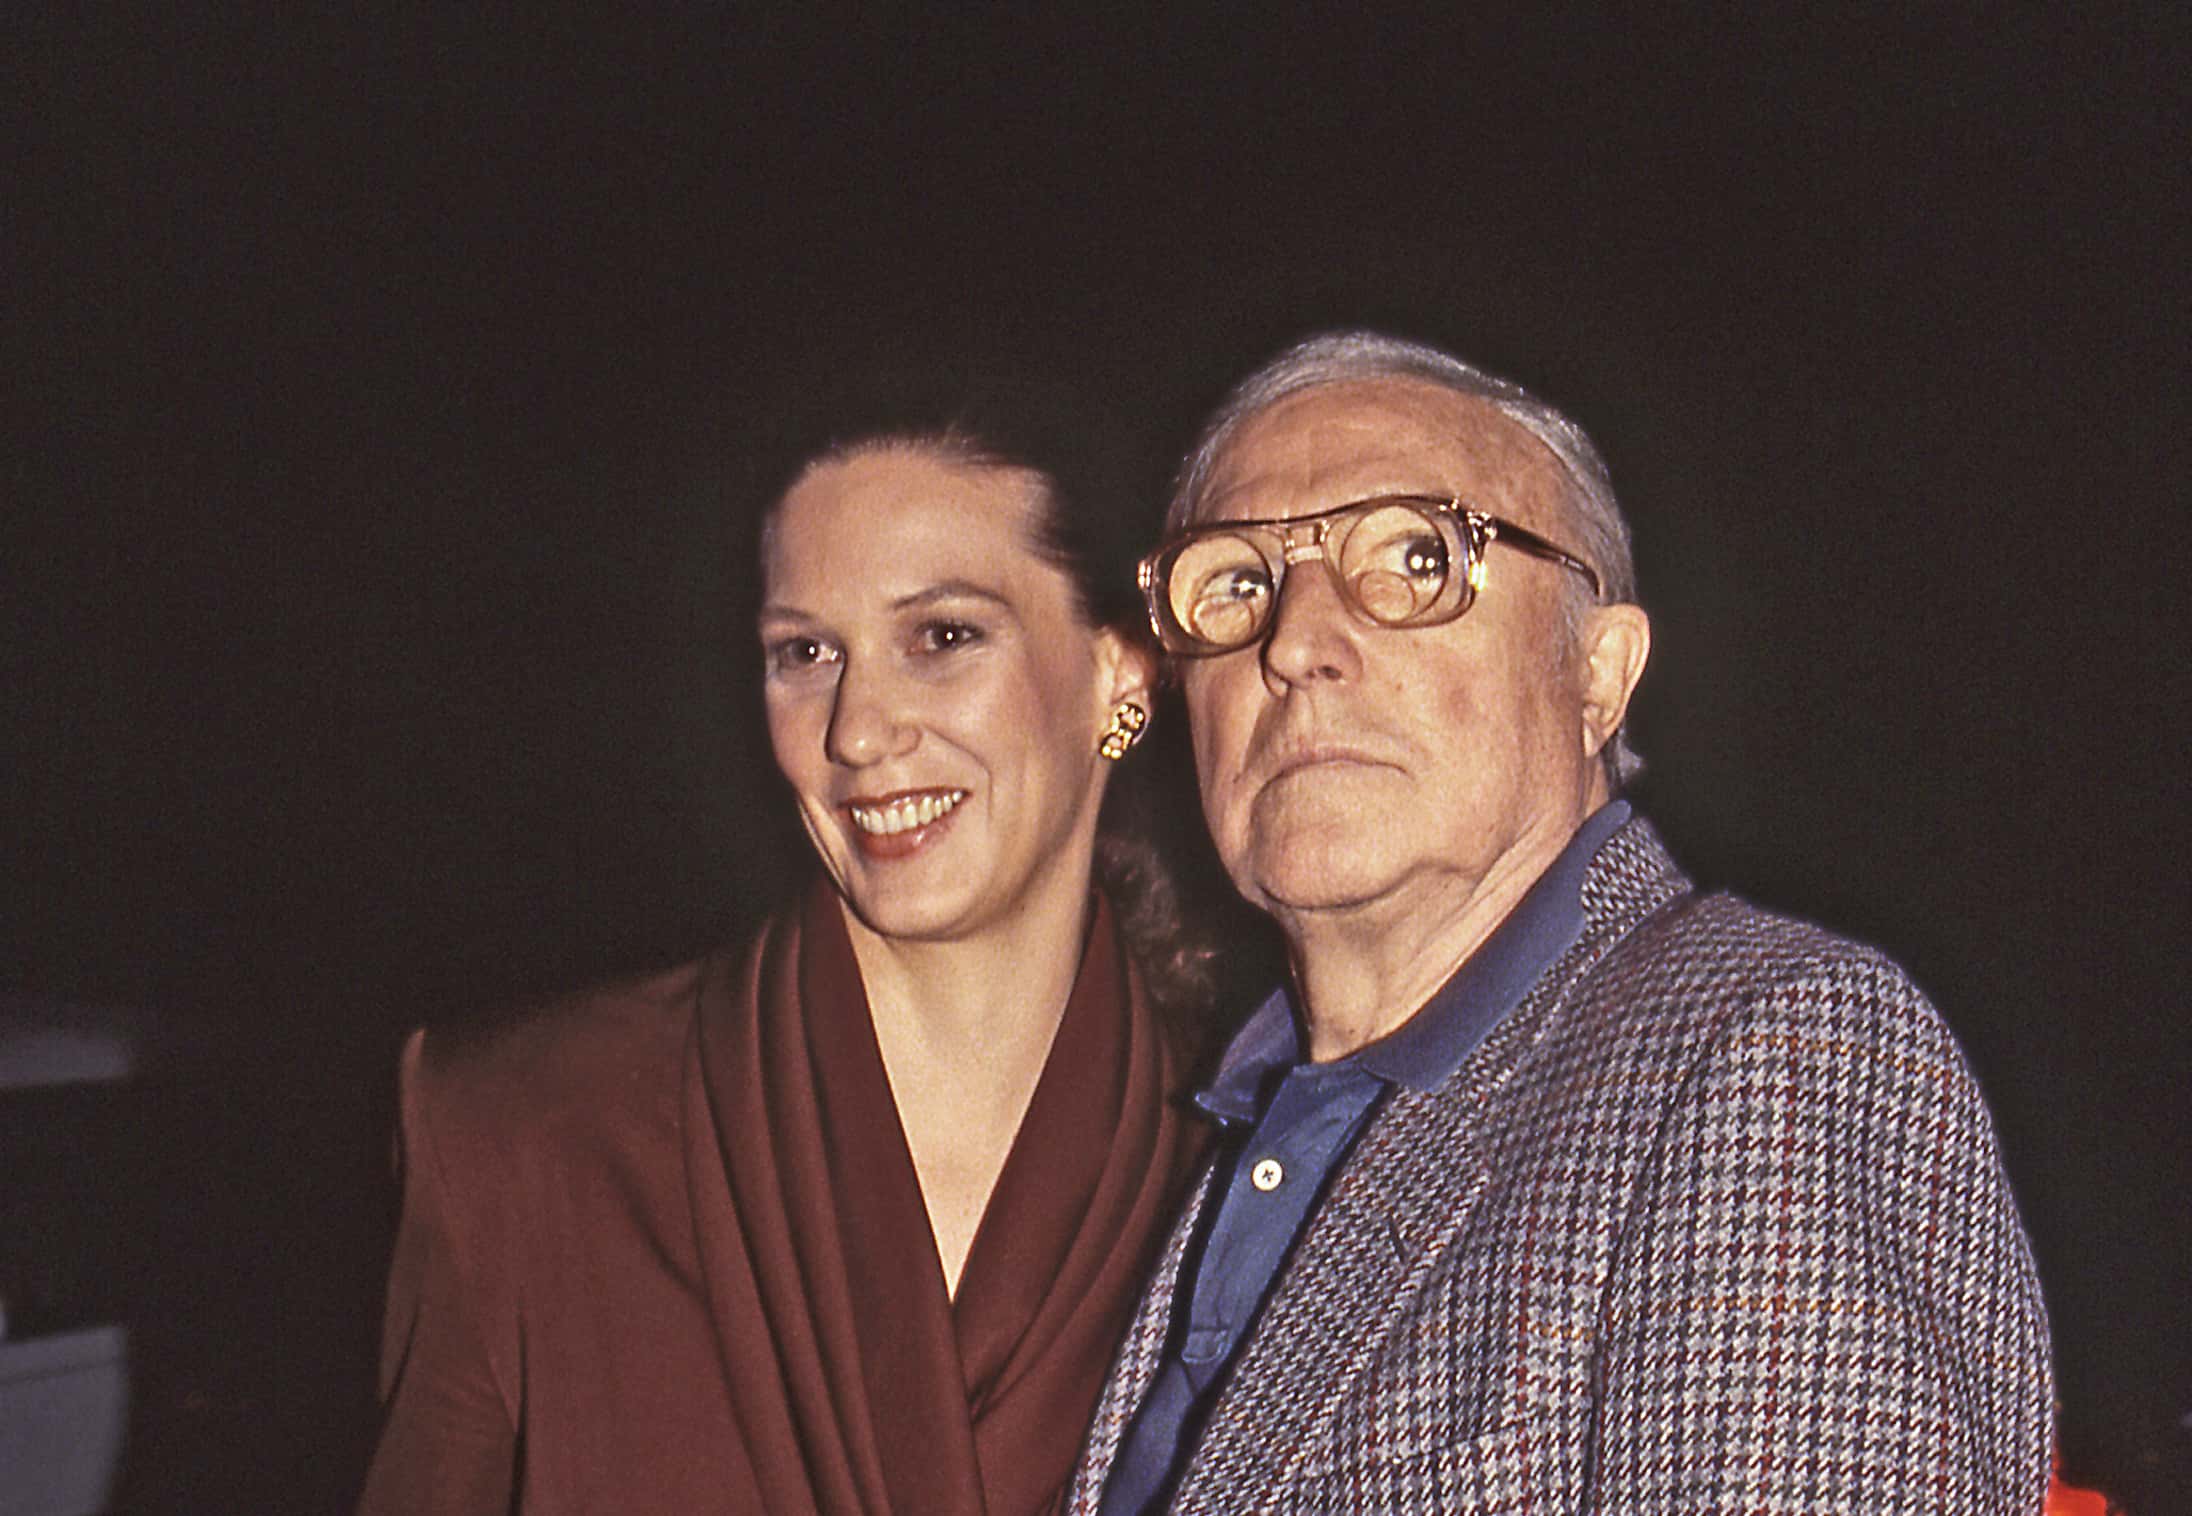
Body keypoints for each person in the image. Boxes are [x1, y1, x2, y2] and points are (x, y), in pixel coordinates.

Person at [1071, 331, 2054, 1513]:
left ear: (1595, 674)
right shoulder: (1242, 1141)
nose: (1293, 642)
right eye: (1234, 582)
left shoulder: (1764, 1054)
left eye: (1413, 558)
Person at [357, 376, 1211, 1515]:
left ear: (1119, 671)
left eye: (941, 636)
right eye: (804, 654)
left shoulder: (1254, 1166)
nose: (856, 730)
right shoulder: (523, 1130)